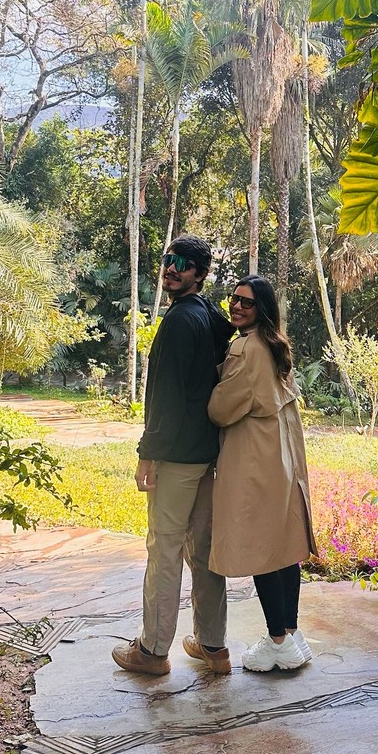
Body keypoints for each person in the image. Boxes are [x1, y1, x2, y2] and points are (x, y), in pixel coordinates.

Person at [112, 234, 235, 677]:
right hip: (207, 454)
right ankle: (213, 647)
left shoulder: (181, 320)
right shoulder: (213, 318)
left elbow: (165, 396)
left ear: (200, 275)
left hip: (179, 458)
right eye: (168, 260)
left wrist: (149, 453)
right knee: (203, 552)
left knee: (164, 549)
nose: (171, 268)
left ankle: (152, 651)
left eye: (183, 264)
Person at [208, 274, 317, 672]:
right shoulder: (276, 345)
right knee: (283, 549)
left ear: (262, 310)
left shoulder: (245, 349)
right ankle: (289, 631)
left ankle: (276, 642)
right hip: (280, 459)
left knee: (262, 550)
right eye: (234, 299)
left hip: (254, 462)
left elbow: (221, 409)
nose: (237, 306)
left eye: (247, 303)